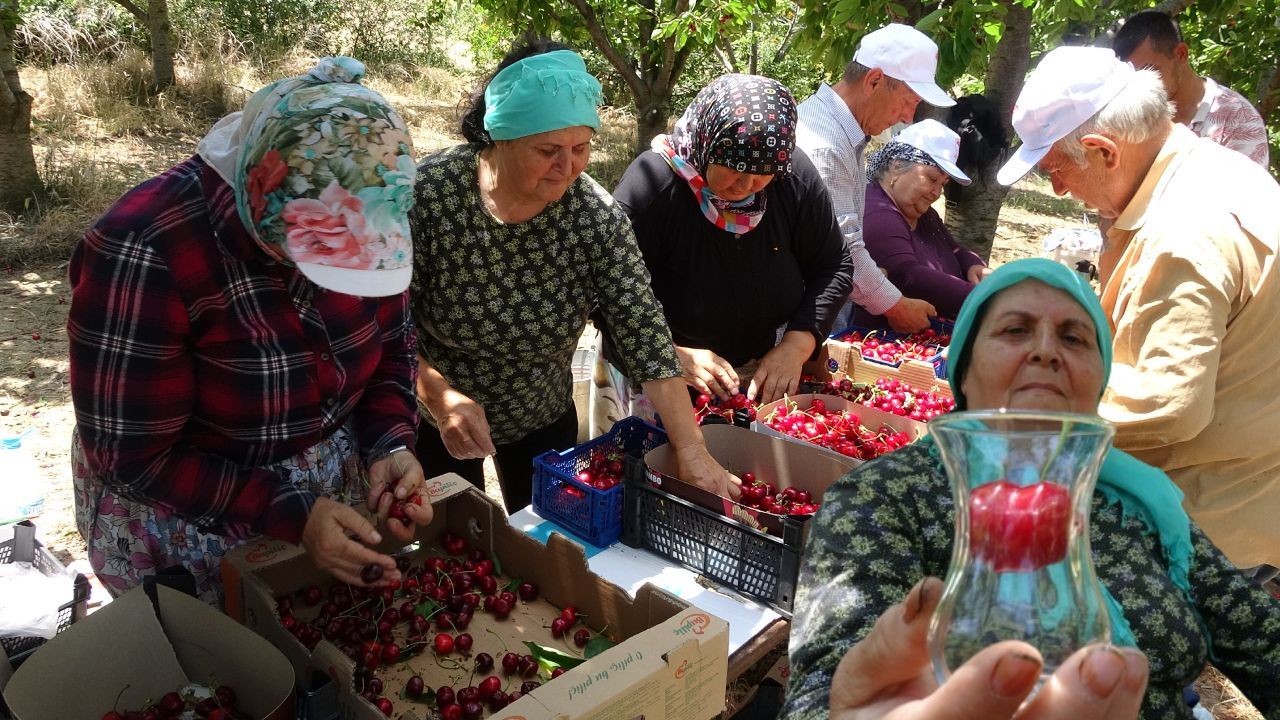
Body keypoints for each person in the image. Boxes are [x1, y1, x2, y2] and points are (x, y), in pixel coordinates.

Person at [782, 258, 1280, 720]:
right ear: (964, 369)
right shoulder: (886, 500)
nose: (1046, 350)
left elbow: (1262, 640)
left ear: (1099, 378)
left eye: (1074, 338)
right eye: (1016, 330)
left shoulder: (1143, 504)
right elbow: (819, 697)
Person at [69, 58, 428, 608]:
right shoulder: (144, 249)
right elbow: (135, 456)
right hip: (194, 511)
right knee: (225, 672)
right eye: (311, 259)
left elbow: (393, 348)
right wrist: (288, 510)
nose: (333, 283)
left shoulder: (372, 211)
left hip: (323, 500)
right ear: (259, 208)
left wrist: (389, 441)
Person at [409, 42, 737, 516]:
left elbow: (643, 331)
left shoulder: (594, 219)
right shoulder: (430, 197)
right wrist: (439, 398)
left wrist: (690, 449)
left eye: (580, 148)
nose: (567, 169)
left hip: (541, 415)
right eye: (547, 150)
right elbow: (384, 326)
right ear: (499, 138)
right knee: (450, 537)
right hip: (433, 414)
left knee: (544, 541)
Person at [996, 46, 1280, 583]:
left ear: (1104, 150)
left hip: (1202, 515)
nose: (1057, 189)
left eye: (1056, 169)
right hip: (1247, 486)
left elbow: (1169, 404)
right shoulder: (1215, 170)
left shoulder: (1186, 231)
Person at [595, 74, 851, 423]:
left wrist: (797, 344)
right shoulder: (651, 186)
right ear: (706, 144)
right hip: (659, 380)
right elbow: (603, 294)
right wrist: (669, 356)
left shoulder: (793, 178)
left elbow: (833, 263)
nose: (746, 186)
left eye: (763, 175)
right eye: (734, 170)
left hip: (753, 377)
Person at [796, 23, 956, 334]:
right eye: (909, 101)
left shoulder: (844, 133)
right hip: (794, 329)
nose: (908, 117)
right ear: (875, 81)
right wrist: (895, 305)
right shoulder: (825, 144)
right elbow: (841, 250)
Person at [852, 119, 988, 329]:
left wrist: (973, 264)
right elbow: (907, 276)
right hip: (890, 345)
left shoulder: (924, 215)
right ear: (897, 166)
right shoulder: (877, 212)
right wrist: (988, 300)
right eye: (932, 179)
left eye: (943, 184)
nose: (937, 192)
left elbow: (953, 248)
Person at [1113, 10, 1270, 168]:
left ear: (1181, 54)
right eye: (1133, 77)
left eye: (1149, 71)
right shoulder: (1133, 114)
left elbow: (1249, 191)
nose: (1141, 84)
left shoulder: (1239, 120)